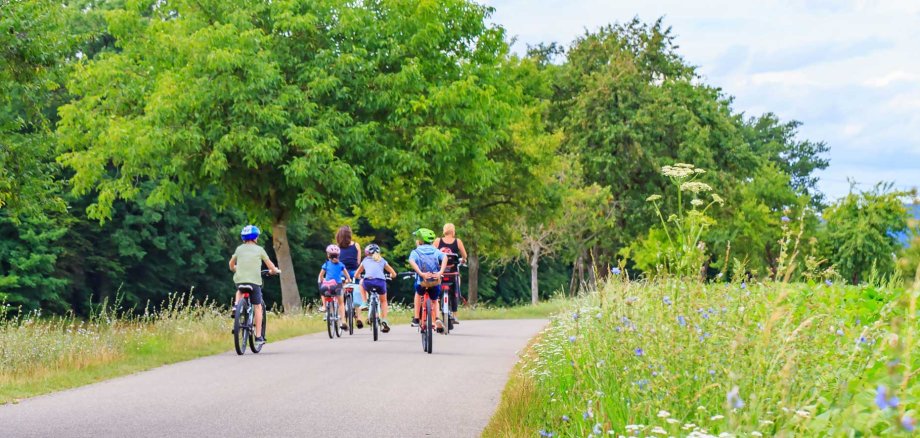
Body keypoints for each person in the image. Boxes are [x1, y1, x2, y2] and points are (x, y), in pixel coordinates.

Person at [229, 225, 280, 347]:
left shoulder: (239, 249)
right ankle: (258, 337)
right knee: (258, 307)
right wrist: (274, 271)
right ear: (256, 237)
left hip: (240, 280)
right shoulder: (260, 250)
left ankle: (236, 307)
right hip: (254, 282)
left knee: (240, 290)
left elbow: (231, 263)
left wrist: (234, 269)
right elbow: (270, 266)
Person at [409, 228, 448, 332]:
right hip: (435, 280)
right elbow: (445, 258)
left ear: (420, 240)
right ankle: (437, 318)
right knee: (435, 300)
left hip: (422, 281)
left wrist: (421, 273)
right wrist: (440, 273)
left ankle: (416, 318)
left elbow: (411, 261)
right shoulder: (435, 250)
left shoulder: (416, 251)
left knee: (418, 293)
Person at [353, 244, 398, 333]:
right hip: (380, 282)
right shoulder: (382, 260)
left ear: (366, 253)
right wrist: (390, 276)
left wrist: (360, 277)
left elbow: (356, 274)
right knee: (383, 301)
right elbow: (394, 273)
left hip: (368, 282)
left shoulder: (365, 260)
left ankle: (365, 302)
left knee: (361, 283)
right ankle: (384, 320)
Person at [433, 223, 467, 326]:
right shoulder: (458, 241)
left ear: (444, 230)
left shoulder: (438, 241)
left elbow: (432, 253)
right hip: (453, 273)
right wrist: (463, 260)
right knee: (455, 292)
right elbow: (464, 256)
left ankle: (437, 315)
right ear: (453, 231)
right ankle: (455, 315)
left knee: (436, 294)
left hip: (440, 273)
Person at [318, 244, 352, 331]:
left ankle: (325, 306)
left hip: (327, 286)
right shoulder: (341, 264)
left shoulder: (326, 264)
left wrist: (322, 280)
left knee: (323, 291)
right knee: (341, 303)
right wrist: (349, 280)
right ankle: (343, 321)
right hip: (337, 286)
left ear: (328, 255)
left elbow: (321, 275)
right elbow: (346, 274)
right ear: (338, 255)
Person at [336, 226, 364, 329]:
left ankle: (343, 320)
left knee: (340, 298)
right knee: (357, 292)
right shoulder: (356, 245)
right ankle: (359, 317)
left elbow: (336, 263)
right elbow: (358, 262)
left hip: (342, 273)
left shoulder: (337, 248)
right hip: (354, 272)